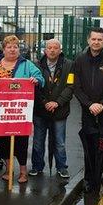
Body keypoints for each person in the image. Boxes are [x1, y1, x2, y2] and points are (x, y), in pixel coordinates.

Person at [73, 27, 103, 195]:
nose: (96, 42)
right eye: (93, 39)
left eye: (100, 39)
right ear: (88, 40)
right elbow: (76, 87)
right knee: (90, 148)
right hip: (88, 113)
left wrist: (102, 104)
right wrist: (89, 104)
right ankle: (90, 181)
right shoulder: (79, 60)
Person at [0, 35, 45, 183]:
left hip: (20, 111)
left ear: (18, 49)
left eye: (15, 47)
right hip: (1, 110)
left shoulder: (26, 64)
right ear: (3, 49)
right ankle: (9, 170)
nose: (12, 49)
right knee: (4, 141)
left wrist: (36, 80)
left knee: (21, 142)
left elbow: (39, 77)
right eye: (9, 47)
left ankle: (23, 172)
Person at [29, 39, 74, 178]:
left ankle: (62, 167)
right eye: (49, 47)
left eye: (55, 47)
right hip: (40, 111)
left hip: (60, 111)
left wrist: (57, 102)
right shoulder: (36, 65)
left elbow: (70, 86)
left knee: (59, 142)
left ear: (60, 50)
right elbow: (34, 87)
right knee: (38, 141)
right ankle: (37, 166)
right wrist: (44, 102)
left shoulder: (70, 65)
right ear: (45, 50)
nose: (52, 50)